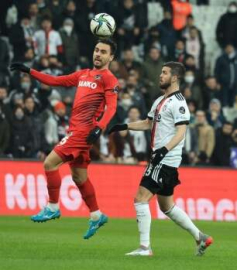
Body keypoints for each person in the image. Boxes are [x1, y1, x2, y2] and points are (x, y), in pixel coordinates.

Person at [10, 39, 119, 239]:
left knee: (50, 163)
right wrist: (29, 71)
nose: (98, 54)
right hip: (76, 130)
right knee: (79, 177)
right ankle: (96, 215)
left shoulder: (109, 79)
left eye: (103, 52)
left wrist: (99, 127)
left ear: (111, 57)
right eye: (96, 50)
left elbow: (112, 107)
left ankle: (52, 206)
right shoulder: (83, 74)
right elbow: (56, 80)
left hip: (83, 132)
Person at [109, 62, 213, 256]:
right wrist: (123, 126)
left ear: (174, 78)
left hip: (164, 160)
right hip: (164, 160)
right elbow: (148, 123)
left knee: (140, 199)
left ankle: (144, 248)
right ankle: (201, 236)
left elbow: (182, 131)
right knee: (167, 207)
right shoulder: (159, 101)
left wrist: (163, 150)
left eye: (164, 73)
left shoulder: (179, 102)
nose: (160, 75)